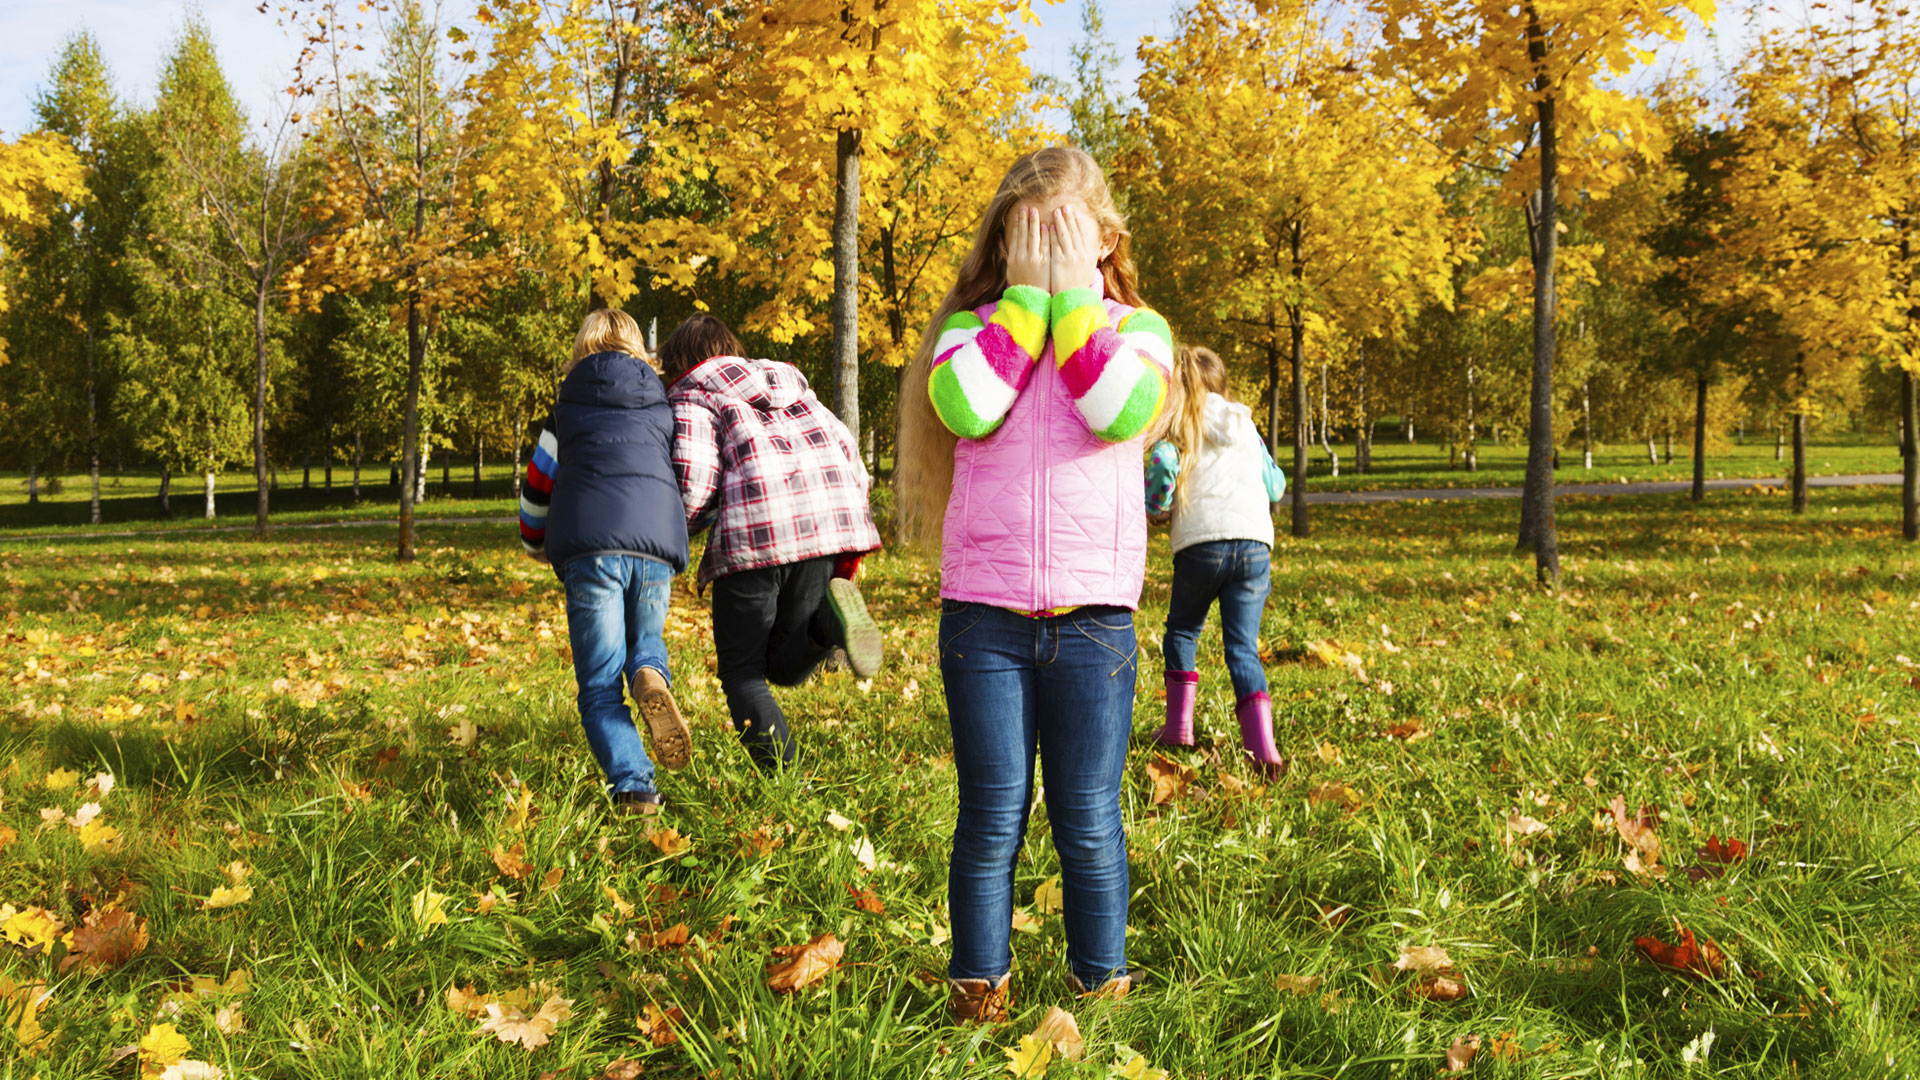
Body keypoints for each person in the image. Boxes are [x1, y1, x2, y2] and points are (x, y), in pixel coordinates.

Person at [894, 145, 1173, 1022]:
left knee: (1088, 817)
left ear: (1105, 241)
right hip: (985, 614)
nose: (1051, 248)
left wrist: (1079, 310)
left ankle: (1102, 989)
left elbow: (1118, 410)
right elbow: (970, 407)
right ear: (1004, 243)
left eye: (1068, 232)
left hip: (1094, 615)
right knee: (991, 816)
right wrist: (1021, 306)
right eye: (1032, 232)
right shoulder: (973, 333)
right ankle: (978, 991)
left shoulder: (1137, 332)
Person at [663, 314, 883, 770]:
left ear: (679, 361)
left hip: (754, 537)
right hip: (824, 531)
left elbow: (694, 479)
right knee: (782, 668)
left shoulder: (692, 394)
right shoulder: (795, 388)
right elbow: (850, 457)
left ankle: (783, 780)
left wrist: (680, 531)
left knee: (742, 673)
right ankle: (830, 625)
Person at [520, 309, 692, 816]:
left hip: (591, 548)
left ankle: (635, 785)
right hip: (656, 545)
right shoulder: (663, 406)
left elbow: (537, 485)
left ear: (583, 348)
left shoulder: (567, 407)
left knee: (598, 687)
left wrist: (533, 541)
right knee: (646, 642)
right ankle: (650, 673)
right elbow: (681, 469)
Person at [1143, 345, 1287, 773]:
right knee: (1242, 648)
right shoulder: (1246, 426)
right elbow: (1276, 486)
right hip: (1254, 545)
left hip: (1201, 544)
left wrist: (1156, 508)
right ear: (1222, 385)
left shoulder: (1179, 427)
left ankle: (1179, 728)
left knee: (1183, 632)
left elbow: (1164, 462)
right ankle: (1263, 750)